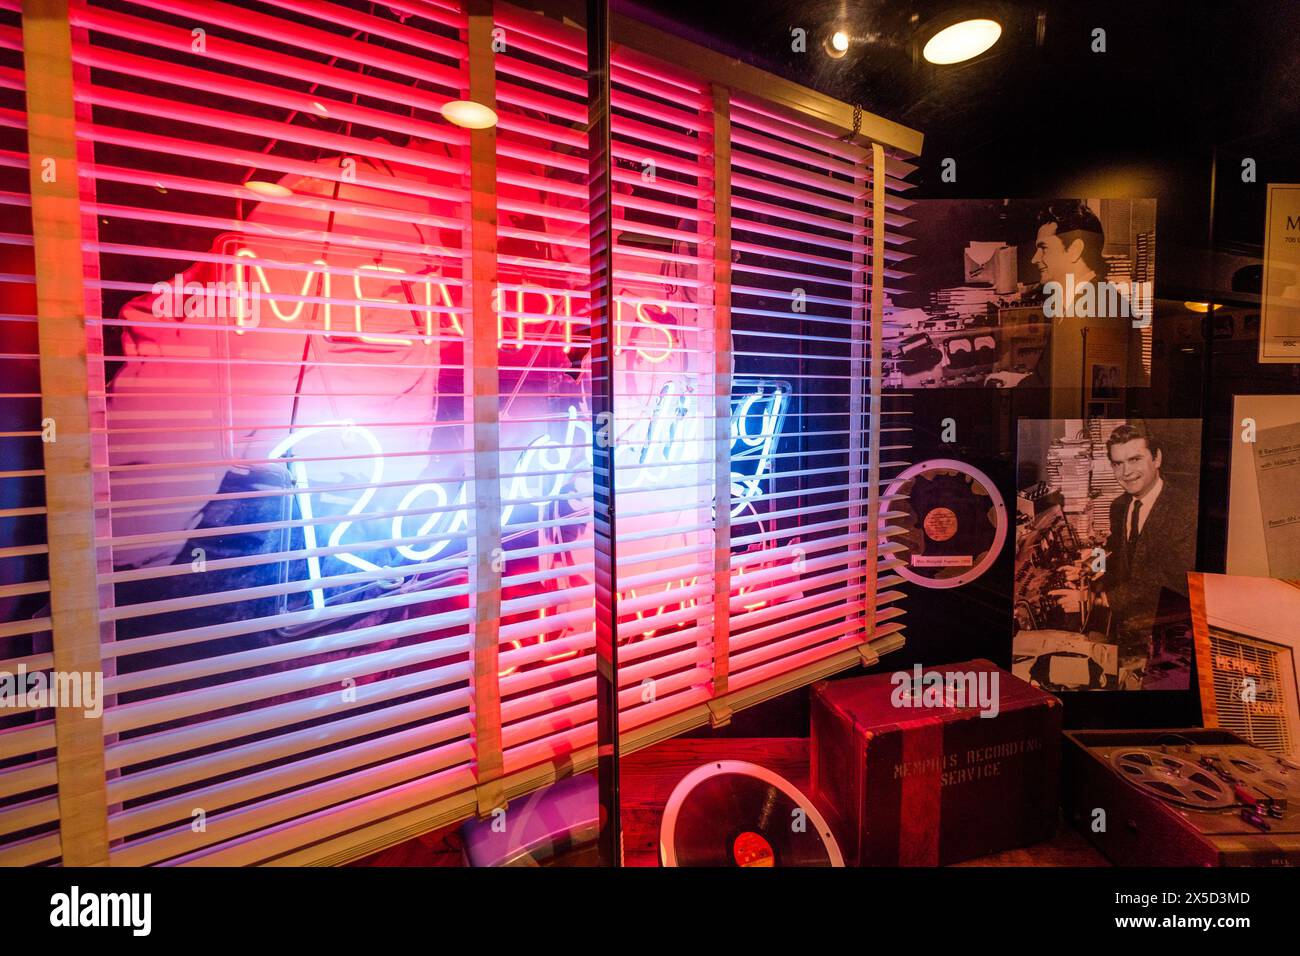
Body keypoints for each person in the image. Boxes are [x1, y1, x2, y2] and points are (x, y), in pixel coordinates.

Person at [1098, 423, 1196, 650]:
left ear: (1157, 458)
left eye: (1135, 459)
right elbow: (1113, 549)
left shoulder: (1186, 509)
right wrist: (1091, 567)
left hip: (1169, 637)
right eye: (1117, 464)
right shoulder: (1119, 506)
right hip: (1127, 630)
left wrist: (1101, 600)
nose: (1126, 473)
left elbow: (1170, 581)